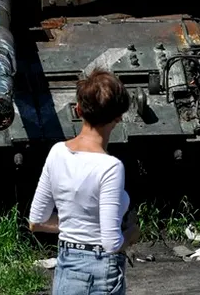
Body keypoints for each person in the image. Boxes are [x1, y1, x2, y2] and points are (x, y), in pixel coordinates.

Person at [28, 69, 138, 295]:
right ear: (119, 116)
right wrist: (133, 233)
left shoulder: (57, 153)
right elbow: (111, 243)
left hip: (66, 267)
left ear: (78, 110)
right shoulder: (110, 167)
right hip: (100, 271)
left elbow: (36, 221)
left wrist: (75, 225)